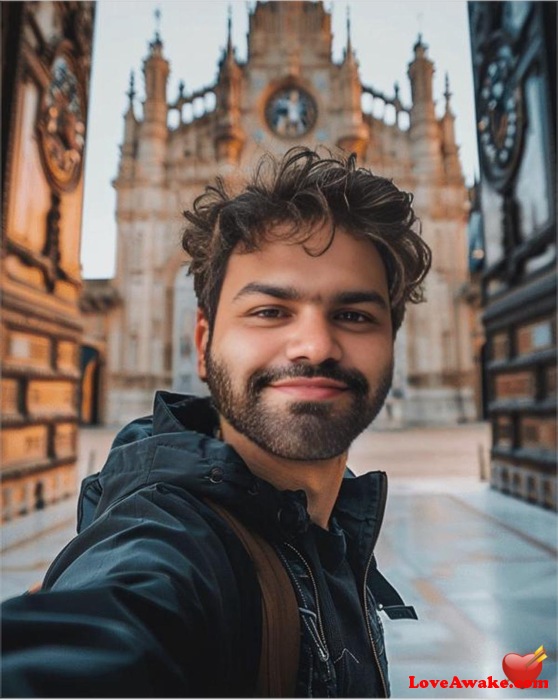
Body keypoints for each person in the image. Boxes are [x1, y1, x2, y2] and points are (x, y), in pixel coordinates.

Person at [1, 147, 431, 697]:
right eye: (270, 310)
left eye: (353, 314)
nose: (315, 345)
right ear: (202, 344)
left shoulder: (337, 529)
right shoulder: (166, 550)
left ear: (390, 344)